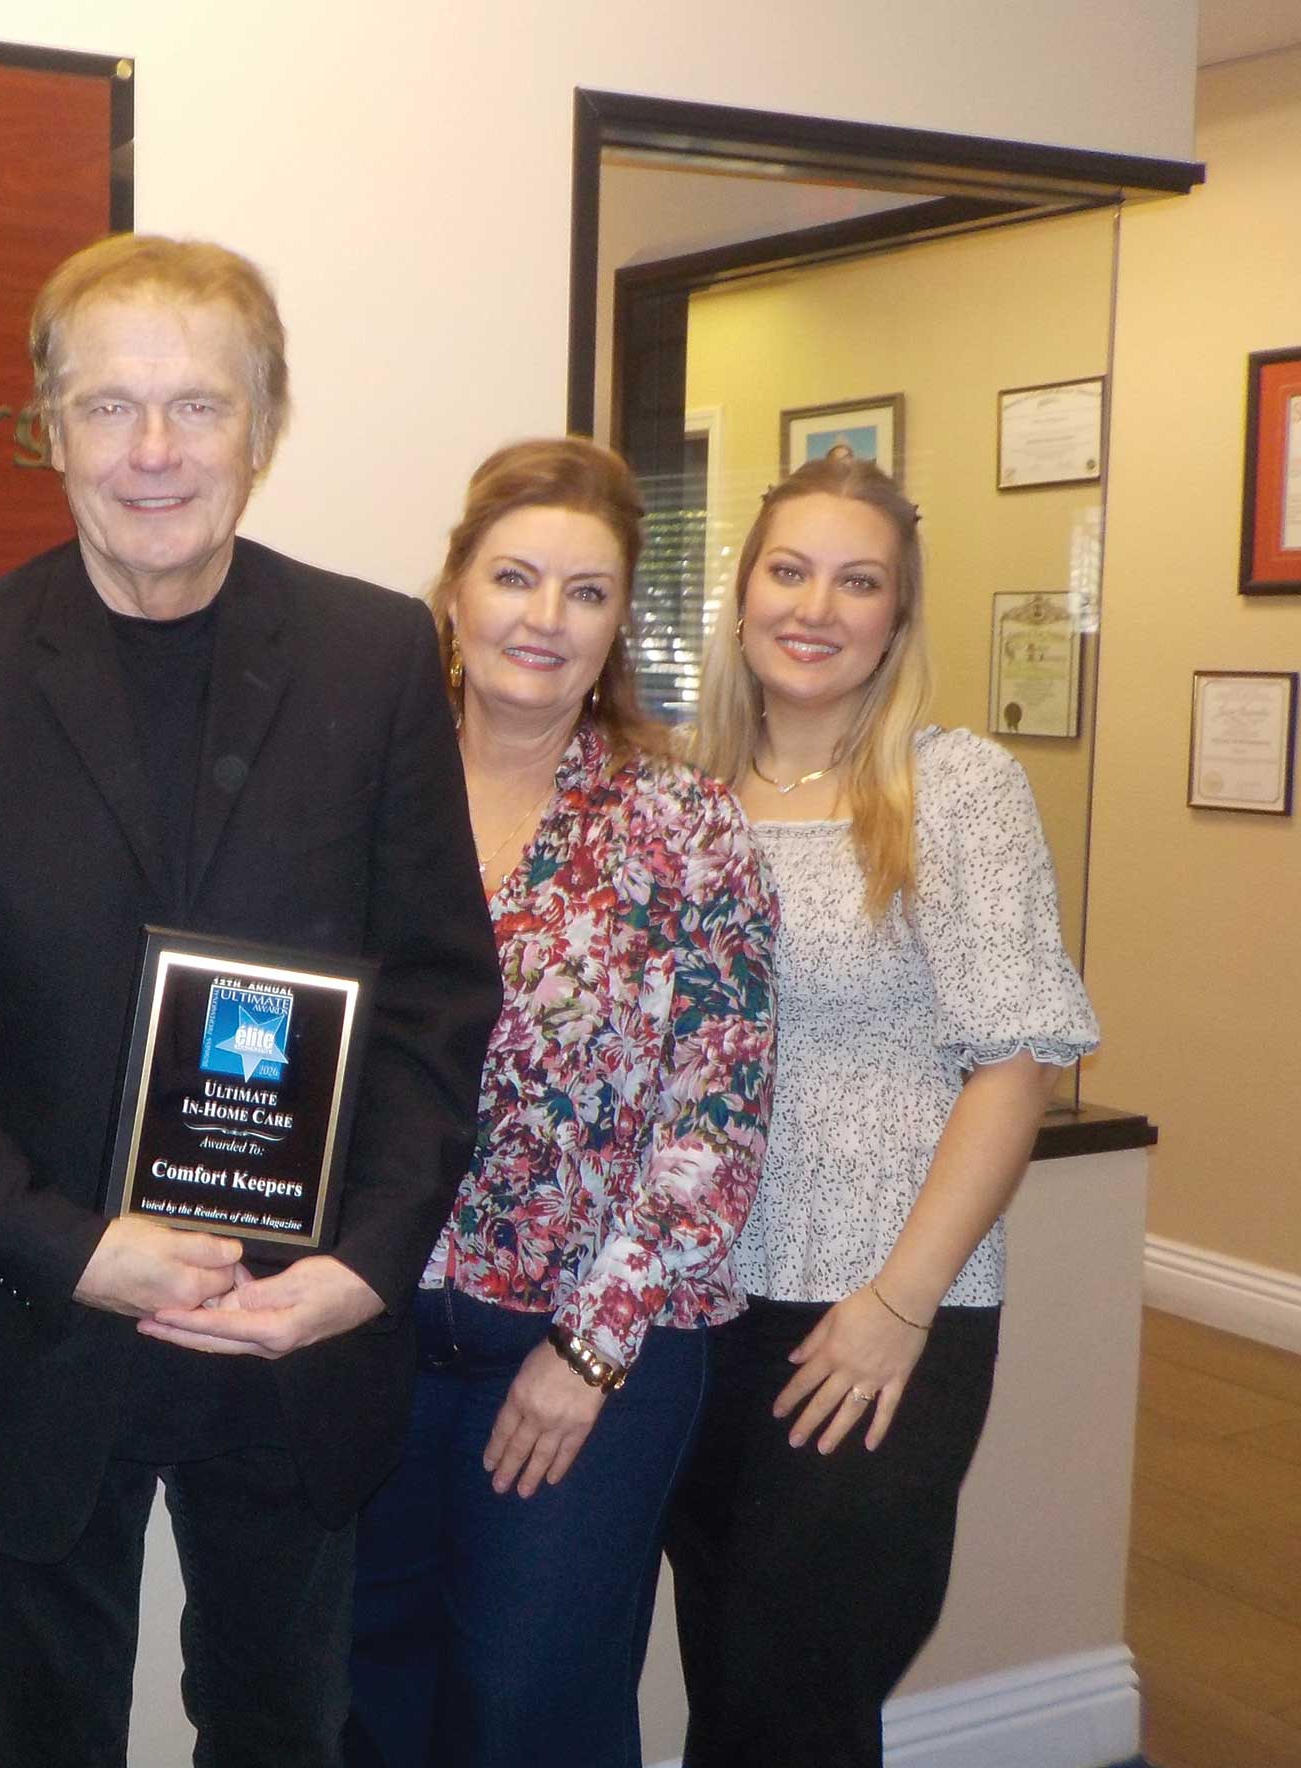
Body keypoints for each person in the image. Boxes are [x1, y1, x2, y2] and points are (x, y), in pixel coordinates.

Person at [0, 234, 503, 1768]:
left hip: (294, 1325)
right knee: (47, 1734)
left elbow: (436, 1001)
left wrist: (368, 1265)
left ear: (263, 427)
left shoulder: (377, 657)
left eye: (197, 405)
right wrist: (83, 1251)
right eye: (109, 406)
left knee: (285, 1730)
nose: (153, 451)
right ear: (50, 427)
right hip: (42, 1324)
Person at [343, 439, 777, 1768]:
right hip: (363, 1330)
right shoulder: (357, 800)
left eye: (586, 593)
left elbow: (715, 1125)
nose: (545, 618)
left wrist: (587, 1351)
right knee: (364, 1699)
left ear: (617, 623)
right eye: (515, 577)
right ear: (455, 592)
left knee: (531, 1710)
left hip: (593, 1348)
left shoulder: (685, 828)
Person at [665, 454, 1100, 1767]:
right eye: (789, 571)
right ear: (743, 593)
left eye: (859, 583)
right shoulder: (677, 791)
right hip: (693, 1310)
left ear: (898, 616)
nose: (816, 608)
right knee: (729, 1683)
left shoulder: (955, 788)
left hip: (877, 1309)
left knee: (794, 1696)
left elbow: (1015, 1064)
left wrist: (897, 1306)